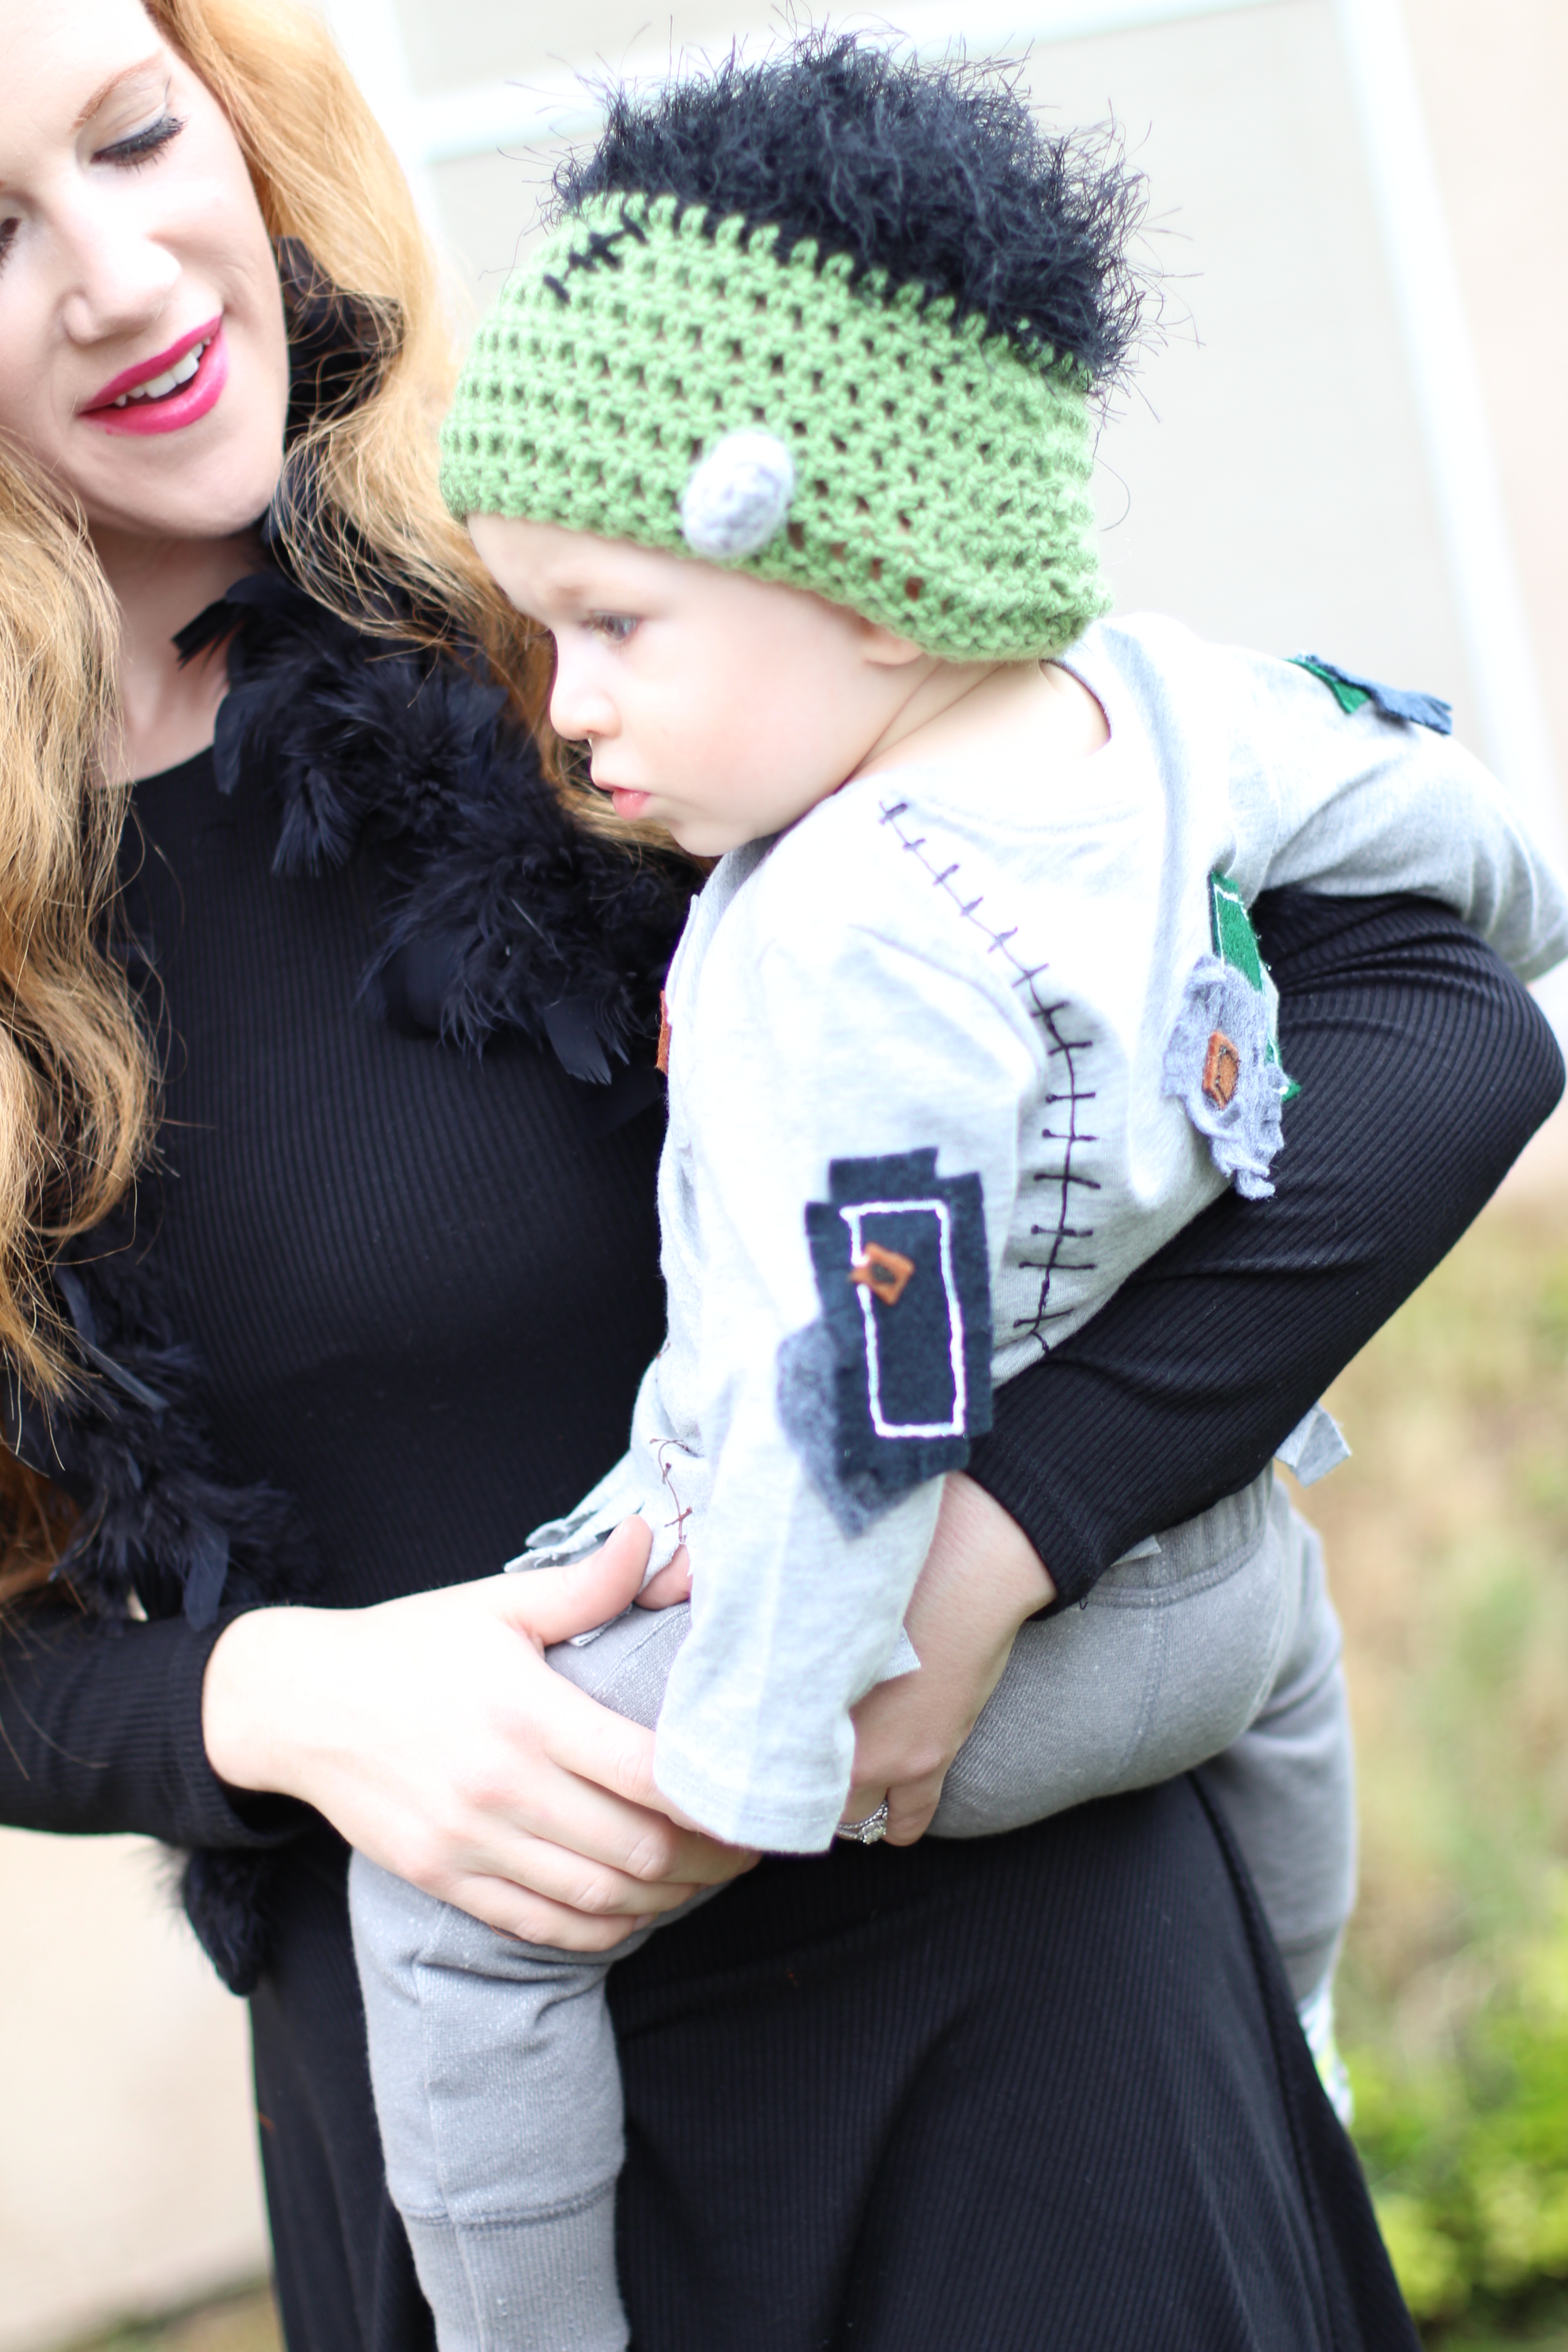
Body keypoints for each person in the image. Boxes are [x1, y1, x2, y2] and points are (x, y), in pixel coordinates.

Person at [0, 4, 1559, 2350]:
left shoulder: (616, 599)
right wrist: (271, 1704)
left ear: (244, 116)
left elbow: (1432, 1022)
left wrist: (1004, 1534)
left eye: (136, 137)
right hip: (480, 2138)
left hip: (1029, 2040)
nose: (117, 276)